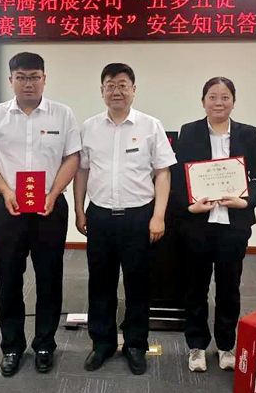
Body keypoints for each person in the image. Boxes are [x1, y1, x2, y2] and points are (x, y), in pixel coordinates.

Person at [0, 52, 81, 377]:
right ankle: (12, 346)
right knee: (8, 278)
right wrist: (6, 190)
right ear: (11, 80)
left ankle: (45, 344)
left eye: (34, 77)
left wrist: (53, 193)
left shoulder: (62, 114)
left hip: (50, 206)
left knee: (49, 278)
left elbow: (72, 158)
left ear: (44, 79)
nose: (28, 83)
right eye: (21, 77)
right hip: (8, 207)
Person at [74, 63, 176, 375]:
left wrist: (158, 216)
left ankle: (135, 344)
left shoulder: (150, 126)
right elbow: (82, 171)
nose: (116, 91)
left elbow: (163, 173)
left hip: (139, 216)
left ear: (133, 89)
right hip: (100, 215)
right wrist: (79, 209)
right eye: (110, 85)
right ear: (101, 90)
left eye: (122, 85)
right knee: (100, 283)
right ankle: (102, 343)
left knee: (138, 284)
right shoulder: (89, 127)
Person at [171, 77, 256, 373]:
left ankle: (227, 345)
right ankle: (196, 345)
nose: (218, 102)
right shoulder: (189, 132)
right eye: (212, 97)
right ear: (203, 101)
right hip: (198, 224)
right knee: (196, 287)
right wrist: (189, 206)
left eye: (225, 97)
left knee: (229, 287)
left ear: (233, 102)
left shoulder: (248, 134)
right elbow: (177, 177)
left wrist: (246, 201)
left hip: (233, 225)